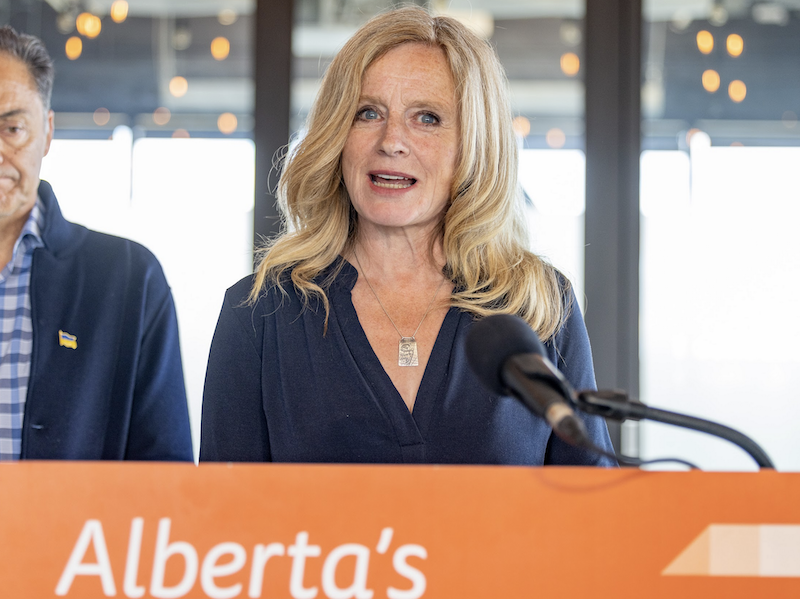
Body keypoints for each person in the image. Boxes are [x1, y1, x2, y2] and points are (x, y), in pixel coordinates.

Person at [200, 7, 615, 465]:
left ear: (473, 145)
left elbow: (593, 511)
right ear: (337, 135)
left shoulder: (540, 305)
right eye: (368, 112)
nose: (392, 140)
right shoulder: (260, 315)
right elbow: (224, 525)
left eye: (427, 118)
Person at [0, 26, 192, 461]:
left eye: (12, 128)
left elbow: (164, 475)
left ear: (46, 133)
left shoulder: (129, 281)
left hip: (78, 533)